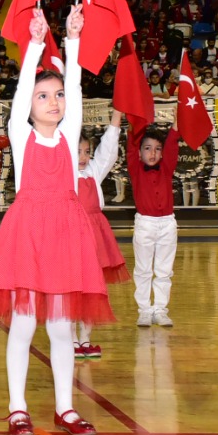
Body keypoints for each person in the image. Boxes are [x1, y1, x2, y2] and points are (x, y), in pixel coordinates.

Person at [0, 7, 111, 435]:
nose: (54, 102)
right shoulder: (23, 137)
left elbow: (74, 88)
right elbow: (22, 95)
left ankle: (65, 408)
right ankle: (17, 407)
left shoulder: (67, 132)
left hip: (63, 235)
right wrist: (36, 44)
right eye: (44, 96)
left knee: (61, 327)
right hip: (29, 235)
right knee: (24, 324)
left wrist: (73, 40)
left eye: (57, 95)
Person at [74, 119, 130, 357]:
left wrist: (115, 122)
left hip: (94, 234)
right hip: (70, 234)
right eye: (78, 151)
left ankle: (85, 340)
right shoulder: (63, 174)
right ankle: (70, 340)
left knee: (91, 287)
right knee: (70, 288)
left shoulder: (94, 171)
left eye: (87, 151)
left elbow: (107, 150)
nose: (84, 157)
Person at [128, 121, 180, 328]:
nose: (153, 153)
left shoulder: (166, 168)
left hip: (167, 224)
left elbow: (172, 148)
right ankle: (144, 310)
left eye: (158, 149)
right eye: (147, 148)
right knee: (143, 269)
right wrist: (133, 125)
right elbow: (131, 145)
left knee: (164, 270)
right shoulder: (135, 168)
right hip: (145, 224)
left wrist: (176, 125)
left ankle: (160, 309)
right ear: (139, 152)